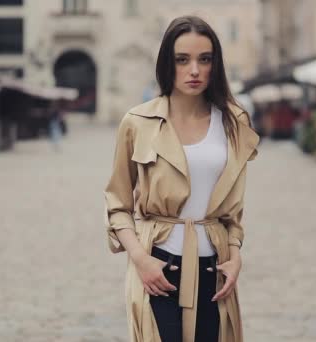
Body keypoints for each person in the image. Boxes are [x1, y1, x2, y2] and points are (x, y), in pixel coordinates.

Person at [103, 15, 259, 342]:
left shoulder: (234, 122)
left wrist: (235, 256)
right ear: (166, 63)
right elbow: (118, 205)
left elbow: (234, 213)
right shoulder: (138, 122)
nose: (194, 70)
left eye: (205, 59)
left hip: (215, 271)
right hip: (158, 267)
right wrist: (141, 260)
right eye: (182, 59)